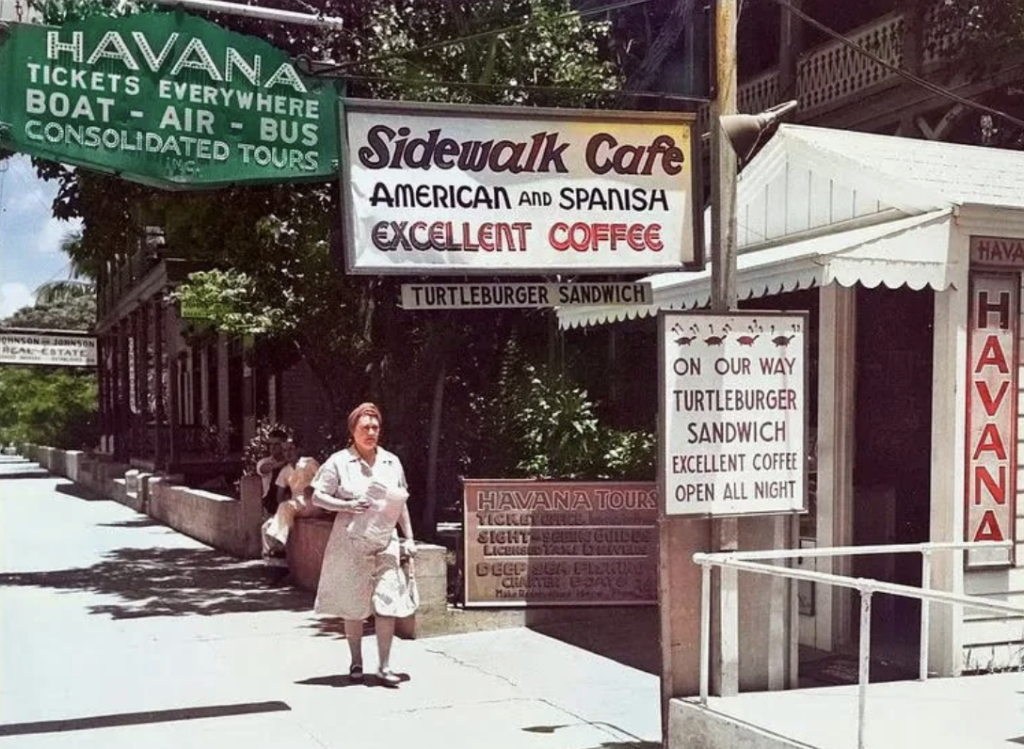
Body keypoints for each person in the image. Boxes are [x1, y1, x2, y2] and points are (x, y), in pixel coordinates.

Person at [310, 403, 417, 687]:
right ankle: (357, 661)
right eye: (365, 427)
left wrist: (409, 537)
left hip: (385, 541)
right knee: (354, 605)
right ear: (352, 430)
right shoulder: (338, 462)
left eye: (375, 427)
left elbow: (400, 503)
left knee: (387, 601)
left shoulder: (391, 462)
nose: (371, 432)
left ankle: (384, 666)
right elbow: (317, 497)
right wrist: (346, 504)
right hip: (351, 541)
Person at [261, 440, 322, 566]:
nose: (288, 453)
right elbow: (279, 496)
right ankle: (273, 562)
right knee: (265, 527)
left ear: (297, 449)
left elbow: (323, 480)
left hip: (313, 502)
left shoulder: (309, 462)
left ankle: (280, 547)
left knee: (286, 506)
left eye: (290, 449)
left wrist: (313, 487)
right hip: (295, 505)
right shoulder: (285, 471)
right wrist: (281, 512)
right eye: (284, 450)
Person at [256, 428, 290, 515]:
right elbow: (263, 469)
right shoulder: (264, 462)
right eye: (270, 444)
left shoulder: (292, 463)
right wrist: (285, 462)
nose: (272, 447)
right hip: (270, 505)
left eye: (276, 444)